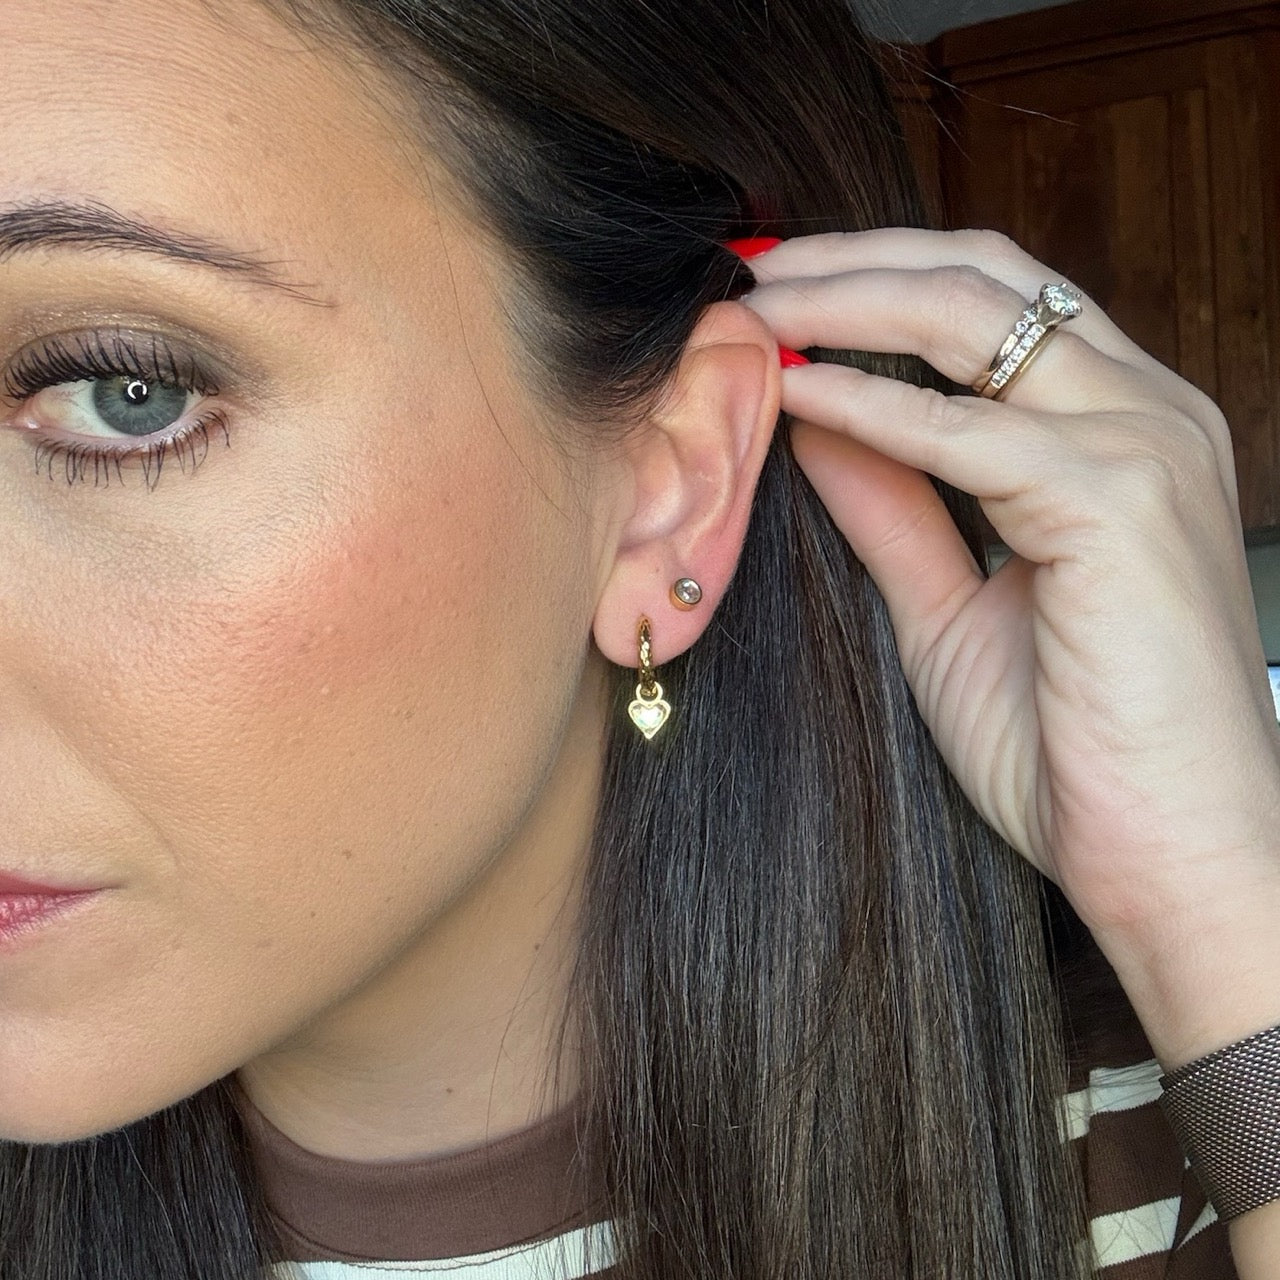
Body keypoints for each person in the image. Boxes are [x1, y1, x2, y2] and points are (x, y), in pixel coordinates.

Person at [1, 0, 1276, 1276]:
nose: (124, 400)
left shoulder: (1186, 1165)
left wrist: (1218, 915)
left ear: (670, 484)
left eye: (125, 390)